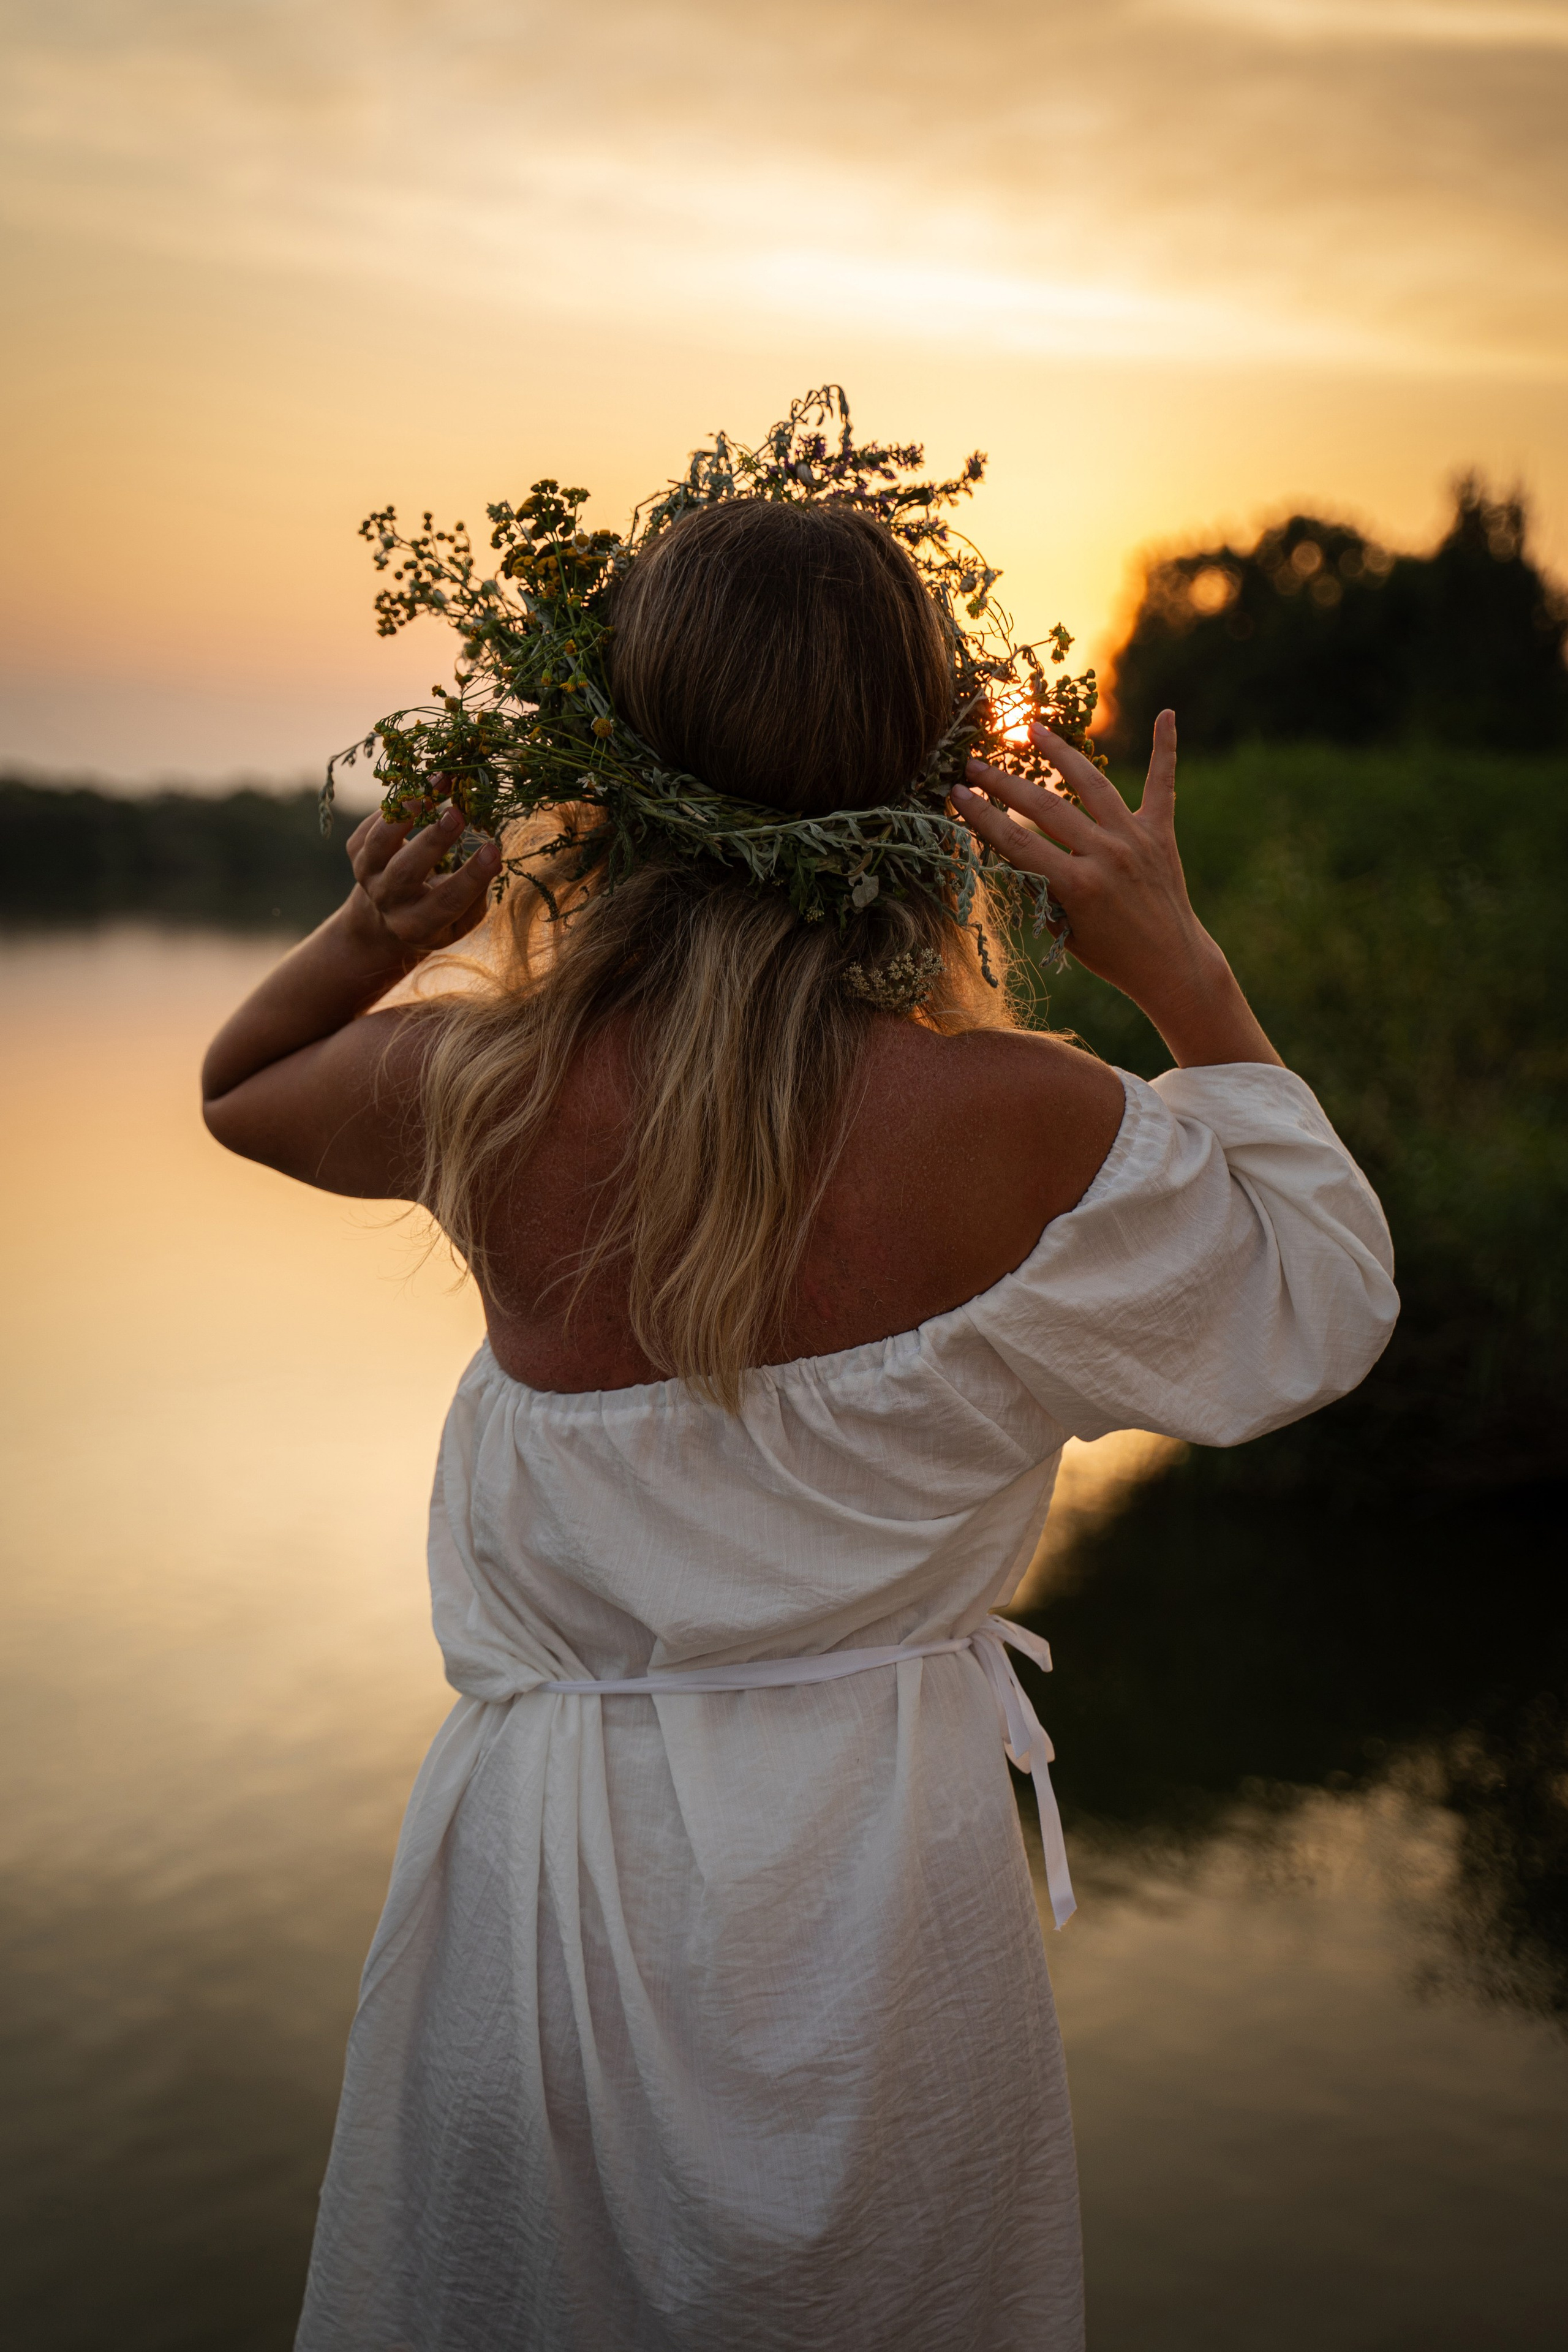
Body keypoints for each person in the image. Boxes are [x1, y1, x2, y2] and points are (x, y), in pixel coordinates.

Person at [202, 497, 1398, 2352]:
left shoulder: (491, 1090)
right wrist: (1183, 970)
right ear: (921, 781)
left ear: (611, 760)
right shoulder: (1022, 1122)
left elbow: (248, 1090)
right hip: (878, 1893)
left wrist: (375, 933)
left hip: (542, 1893)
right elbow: (1321, 1304)